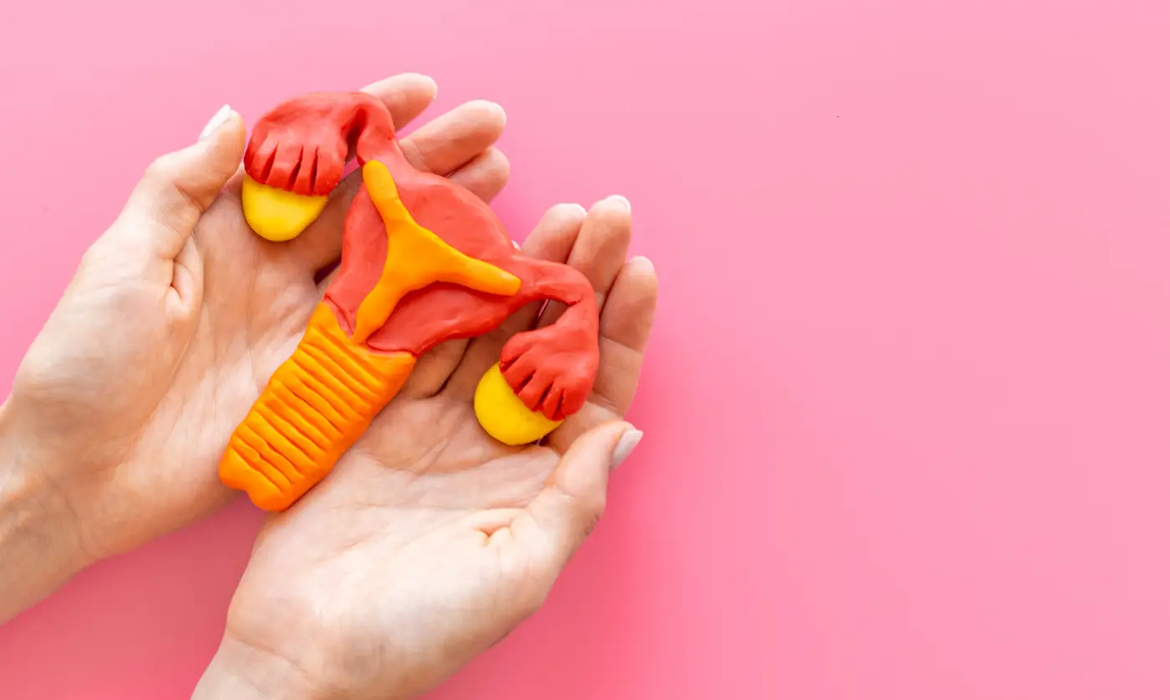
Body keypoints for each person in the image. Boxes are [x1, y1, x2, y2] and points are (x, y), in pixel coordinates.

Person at [0, 72, 657, 699]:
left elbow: (566, 291)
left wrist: (289, 679)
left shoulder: (413, 207)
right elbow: (563, 288)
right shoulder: (413, 213)